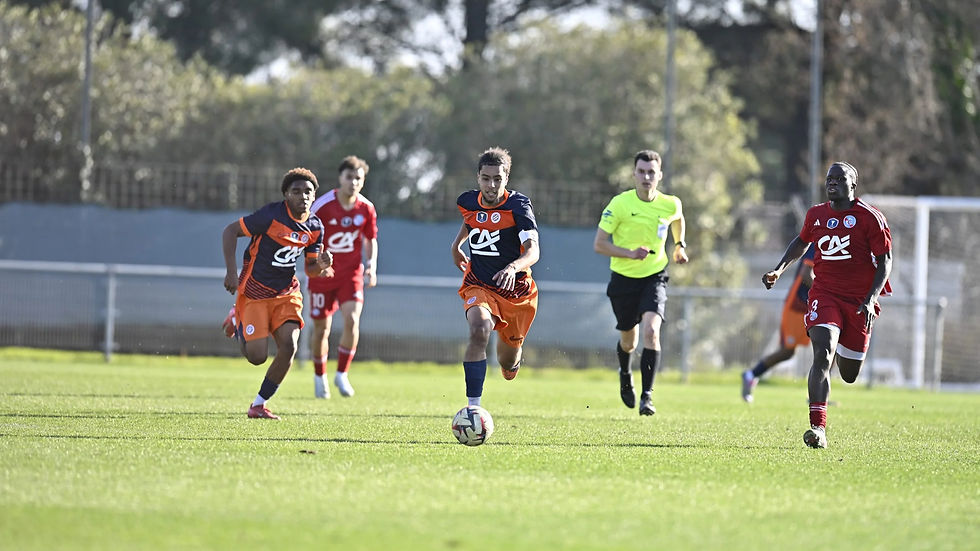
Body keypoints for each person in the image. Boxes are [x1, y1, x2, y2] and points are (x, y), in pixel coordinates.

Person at [763, 161, 892, 448]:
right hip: (825, 295)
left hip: (860, 302)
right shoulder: (817, 215)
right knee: (822, 354)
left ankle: (851, 355)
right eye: (829, 178)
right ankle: (818, 428)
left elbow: (885, 260)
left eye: (839, 178)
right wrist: (779, 269)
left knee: (849, 374)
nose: (831, 182)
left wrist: (871, 298)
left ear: (853, 185)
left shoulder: (871, 218)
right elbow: (801, 242)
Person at [220, 167, 333, 420]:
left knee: (289, 346)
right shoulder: (271, 216)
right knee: (257, 357)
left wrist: (323, 265)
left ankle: (259, 404)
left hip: (286, 294)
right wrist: (231, 272)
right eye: (296, 191)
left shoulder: (315, 227)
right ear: (285, 195)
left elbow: (311, 269)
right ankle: (237, 318)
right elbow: (230, 231)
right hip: (255, 293)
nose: (302, 196)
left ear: (314, 197)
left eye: (308, 192)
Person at [593, 150, 688, 416]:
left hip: (654, 277)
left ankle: (648, 396)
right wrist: (630, 253)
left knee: (651, 332)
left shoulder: (670, 203)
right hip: (623, 280)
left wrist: (679, 246)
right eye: (641, 171)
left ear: (659, 175)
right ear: (634, 174)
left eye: (651, 172)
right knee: (629, 342)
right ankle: (625, 372)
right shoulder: (620, 204)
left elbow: (678, 218)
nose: (646, 177)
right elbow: (599, 245)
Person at [450, 147, 540, 408]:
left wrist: (513, 268)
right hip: (479, 284)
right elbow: (471, 221)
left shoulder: (518, 206)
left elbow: (533, 251)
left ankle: (513, 362)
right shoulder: (466, 201)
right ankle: (473, 409)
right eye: (486, 179)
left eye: (497, 179)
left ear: (506, 179)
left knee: (507, 362)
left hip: (516, 293)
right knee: (479, 331)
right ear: (478, 177)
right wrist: (455, 246)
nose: (491, 185)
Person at [307, 155, 378, 399]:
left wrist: (371, 266)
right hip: (322, 276)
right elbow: (308, 236)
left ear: (363, 181)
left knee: (352, 321)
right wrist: (318, 262)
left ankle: (342, 374)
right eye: (349, 177)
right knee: (321, 329)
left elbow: (370, 239)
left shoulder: (366, 208)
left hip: (351, 274)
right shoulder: (323, 205)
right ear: (341, 178)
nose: (354, 182)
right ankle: (319, 377)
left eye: (358, 178)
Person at [741, 245, 816, 402]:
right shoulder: (818, 240)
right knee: (788, 351)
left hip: (817, 304)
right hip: (799, 306)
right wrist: (827, 290)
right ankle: (751, 375)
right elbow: (806, 274)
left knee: (831, 346)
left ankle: (818, 395)